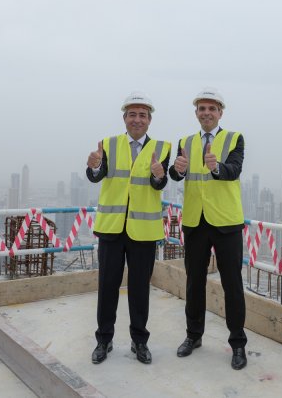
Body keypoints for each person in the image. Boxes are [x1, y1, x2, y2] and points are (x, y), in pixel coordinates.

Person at [86, 91, 171, 365]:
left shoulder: (162, 148)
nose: (137, 119)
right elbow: (97, 175)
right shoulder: (109, 145)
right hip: (111, 228)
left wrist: (159, 175)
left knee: (139, 289)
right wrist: (93, 167)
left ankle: (139, 341)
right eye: (132, 114)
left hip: (143, 232)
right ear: (124, 118)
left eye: (142, 115)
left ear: (149, 120)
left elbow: (159, 184)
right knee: (107, 287)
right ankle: (103, 340)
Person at [168, 88, 248, 370]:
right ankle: (193, 335)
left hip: (226, 222)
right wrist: (177, 170)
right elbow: (176, 173)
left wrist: (216, 168)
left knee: (232, 285)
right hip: (195, 221)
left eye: (212, 109)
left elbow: (234, 170)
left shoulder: (234, 138)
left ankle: (237, 343)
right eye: (202, 109)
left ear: (220, 113)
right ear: (196, 113)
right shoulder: (186, 142)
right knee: (194, 282)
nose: (206, 113)